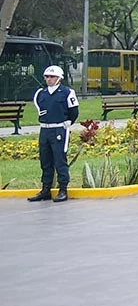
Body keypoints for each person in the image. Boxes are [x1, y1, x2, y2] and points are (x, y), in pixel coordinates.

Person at [27, 65, 78, 203]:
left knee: (60, 160)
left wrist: (68, 122)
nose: (49, 79)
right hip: (45, 129)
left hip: (58, 129)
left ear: (59, 78)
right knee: (45, 160)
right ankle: (46, 189)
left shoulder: (67, 92)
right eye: (47, 77)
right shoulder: (41, 93)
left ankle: (63, 189)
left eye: (52, 77)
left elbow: (73, 111)